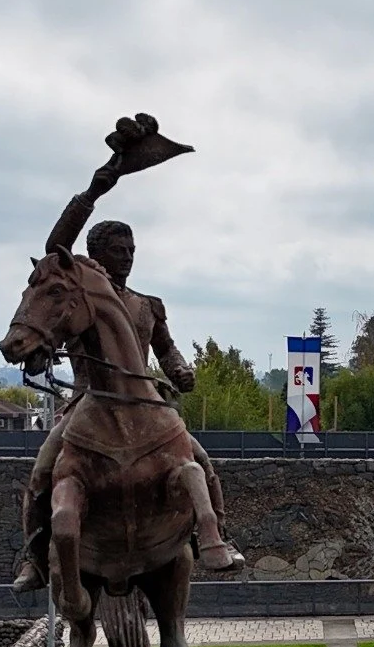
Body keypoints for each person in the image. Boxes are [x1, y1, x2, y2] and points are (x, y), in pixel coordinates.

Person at [12, 115, 242, 592]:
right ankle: (33, 556)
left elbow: (167, 349)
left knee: (201, 462)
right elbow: (56, 246)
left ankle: (215, 533)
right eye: (119, 249)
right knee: (42, 472)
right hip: (87, 402)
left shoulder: (147, 304)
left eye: (132, 248)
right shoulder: (79, 298)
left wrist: (180, 369)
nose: (128, 255)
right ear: (97, 253)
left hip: (146, 404)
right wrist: (96, 189)